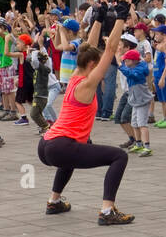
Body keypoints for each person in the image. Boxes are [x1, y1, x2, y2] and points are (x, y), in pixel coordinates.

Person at [38, 13, 134, 225]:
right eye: (98, 64)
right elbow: (110, 50)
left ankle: (54, 201)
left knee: (76, 150)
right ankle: (107, 211)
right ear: (92, 65)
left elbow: (87, 47)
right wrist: (120, 16)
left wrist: (98, 18)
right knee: (119, 156)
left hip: (46, 144)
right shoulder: (87, 84)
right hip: (59, 145)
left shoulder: (75, 76)